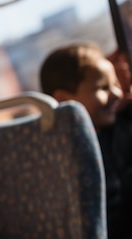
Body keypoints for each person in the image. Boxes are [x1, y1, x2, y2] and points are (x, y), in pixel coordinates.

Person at [40, 42, 132, 239]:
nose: (116, 93)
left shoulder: (120, 125)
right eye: (103, 87)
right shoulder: (59, 154)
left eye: (115, 84)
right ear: (65, 101)